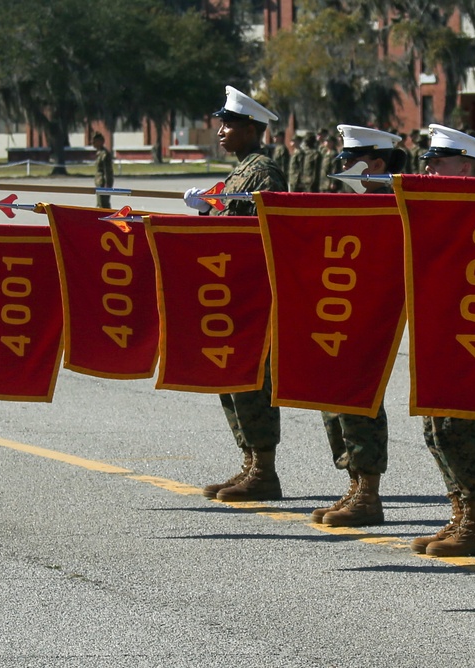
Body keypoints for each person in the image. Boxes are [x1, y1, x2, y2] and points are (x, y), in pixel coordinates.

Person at [183, 86, 289, 503]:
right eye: (221, 123)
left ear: (250, 128)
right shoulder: (241, 171)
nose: (221, 131)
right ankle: (249, 461)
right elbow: (229, 228)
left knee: (251, 381)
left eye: (228, 124)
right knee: (231, 378)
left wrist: (214, 211)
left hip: (253, 292)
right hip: (234, 290)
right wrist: (208, 210)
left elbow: (259, 232)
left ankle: (264, 471)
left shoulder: (262, 171)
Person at [406, 123, 475, 557]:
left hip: (470, 331)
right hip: (439, 328)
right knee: (435, 427)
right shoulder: (438, 206)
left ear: (464, 167)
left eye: (437, 163)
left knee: (458, 425)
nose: (429, 171)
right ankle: (459, 512)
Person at [309, 125, 406, 528]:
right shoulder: (352, 203)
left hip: (372, 316)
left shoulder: (396, 205)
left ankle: (368, 492)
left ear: (376, 164)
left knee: (360, 398)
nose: (344, 167)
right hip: (340, 311)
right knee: (335, 397)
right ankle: (354, 483)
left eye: (351, 160)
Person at [92, 132, 114, 208]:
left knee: (104, 205)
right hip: (99, 183)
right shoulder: (99, 153)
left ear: (100, 141)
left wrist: (107, 185)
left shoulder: (104, 154)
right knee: (100, 204)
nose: (93, 143)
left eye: (95, 141)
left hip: (103, 184)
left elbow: (107, 171)